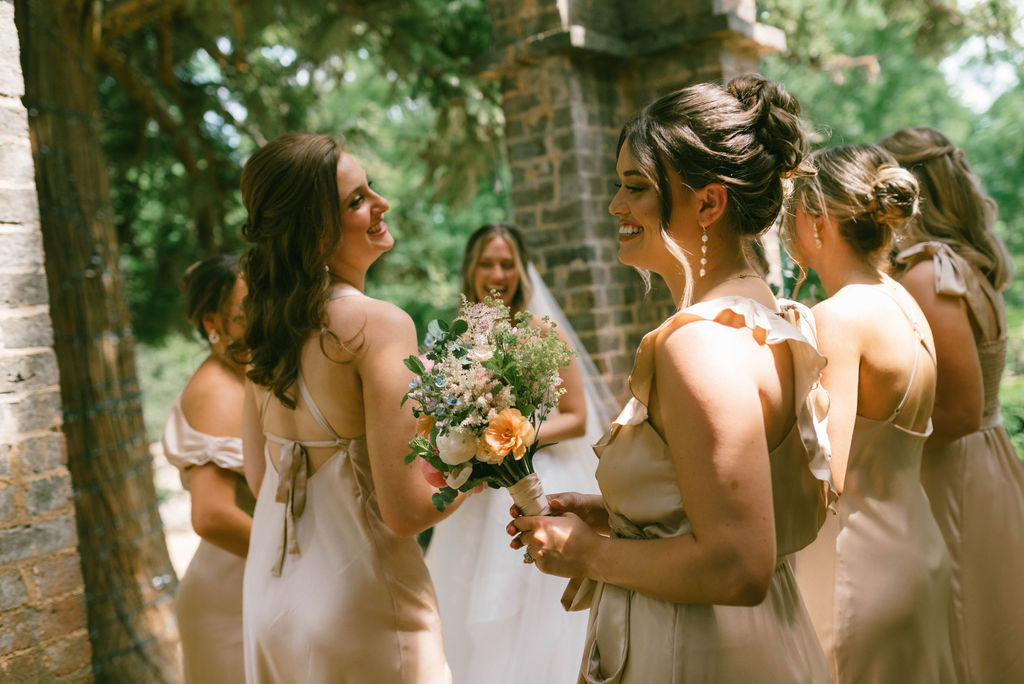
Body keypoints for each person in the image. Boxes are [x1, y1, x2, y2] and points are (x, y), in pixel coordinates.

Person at [509, 73, 833, 683]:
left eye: (635, 187)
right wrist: (621, 514)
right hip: (767, 639)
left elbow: (737, 564)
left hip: (696, 650)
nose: (616, 206)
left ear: (707, 203)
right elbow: (728, 507)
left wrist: (589, 553)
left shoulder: (697, 345)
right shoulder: (772, 318)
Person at [238, 133, 461, 683]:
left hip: (272, 599)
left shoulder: (264, 322)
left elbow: (257, 476)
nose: (381, 203)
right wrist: (480, 463)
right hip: (359, 601)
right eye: (357, 200)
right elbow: (406, 513)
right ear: (315, 233)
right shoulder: (378, 325)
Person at [786, 144, 957, 682]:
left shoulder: (836, 318)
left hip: (854, 567)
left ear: (816, 221)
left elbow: (823, 474)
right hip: (917, 549)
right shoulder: (902, 301)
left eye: (791, 208)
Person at [426, 223, 614, 684]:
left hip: (533, 476)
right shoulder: (458, 338)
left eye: (507, 263)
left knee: (534, 612)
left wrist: (510, 438)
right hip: (478, 495)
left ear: (521, 269)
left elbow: (577, 415)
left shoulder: (534, 328)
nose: (497, 272)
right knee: (470, 615)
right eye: (487, 262)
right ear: (470, 269)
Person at [879, 126, 1024, 683]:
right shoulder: (960, 265)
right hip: (979, 462)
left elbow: (959, 411)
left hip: (954, 471)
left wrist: (871, 445)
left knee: (965, 636)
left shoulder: (929, 273)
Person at [161, 254, 252, 683]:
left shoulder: (246, 377)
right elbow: (211, 515)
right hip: (229, 601)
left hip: (252, 585)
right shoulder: (217, 389)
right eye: (248, 312)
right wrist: (304, 558)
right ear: (213, 322)